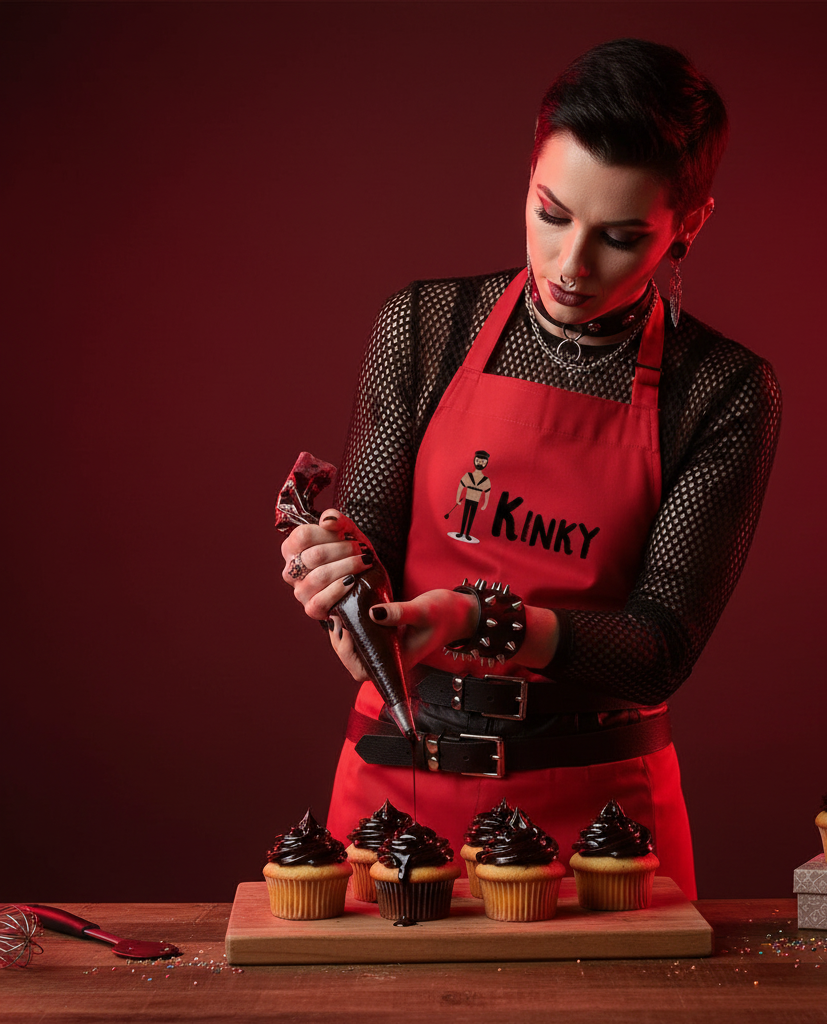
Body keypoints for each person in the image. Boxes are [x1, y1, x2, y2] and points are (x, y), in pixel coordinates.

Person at [280, 38, 781, 898]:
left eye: (622, 237)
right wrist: (340, 583)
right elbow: (374, 539)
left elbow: (658, 648)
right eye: (551, 214)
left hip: (603, 822)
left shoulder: (722, 390)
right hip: (397, 789)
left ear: (689, 224)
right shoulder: (425, 327)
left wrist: (479, 618)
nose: (572, 266)